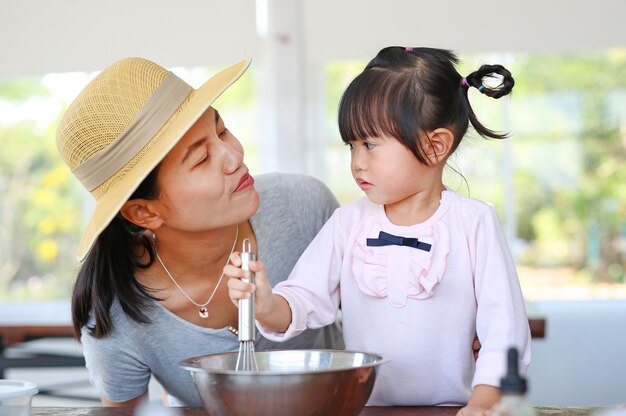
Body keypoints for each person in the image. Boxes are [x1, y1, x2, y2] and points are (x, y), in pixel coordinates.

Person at [227, 46, 531, 415]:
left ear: (434, 146)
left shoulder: (475, 223)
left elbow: (504, 332)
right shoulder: (348, 223)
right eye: (351, 146)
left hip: (458, 409)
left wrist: (481, 405)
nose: (357, 162)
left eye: (370, 144)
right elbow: (303, 302)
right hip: (366, 408)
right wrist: (266, 304)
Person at [55, 56, 344, 407]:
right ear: (145, 212)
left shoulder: (304, 207)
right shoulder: (115, 315)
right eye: (201, 159)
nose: (234, 156)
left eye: (221, 131)